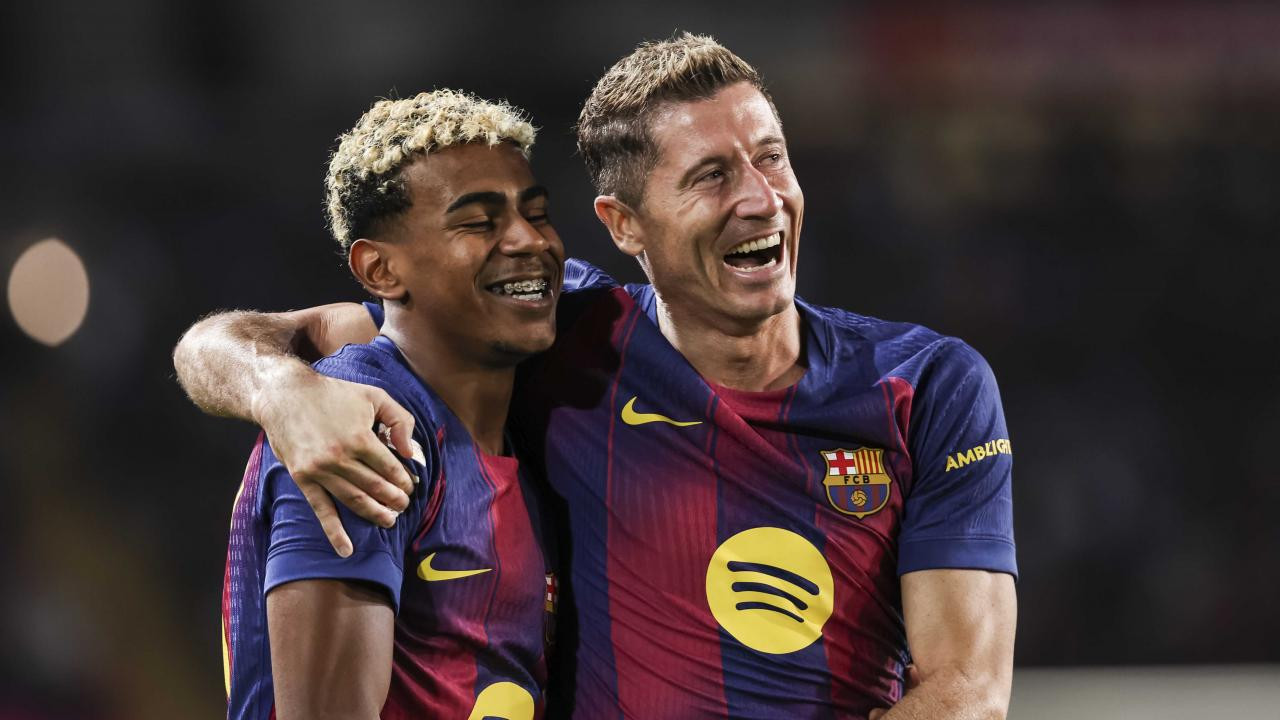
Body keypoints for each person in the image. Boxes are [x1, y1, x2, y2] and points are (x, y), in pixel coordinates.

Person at [178, 35, 1017, 719]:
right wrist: (280, 390)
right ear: (624, 225)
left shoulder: (926, 386)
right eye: (712, 176)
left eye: (772, 158)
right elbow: (235, 341)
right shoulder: (552, 337)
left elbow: (968, 692)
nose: (761, 198)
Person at [207, 89, 563, 720]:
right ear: (380, 271)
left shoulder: (522, 423)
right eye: (478, 223)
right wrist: (279, 387)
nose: (528, 239)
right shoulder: (359, 426)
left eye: (536, 213)